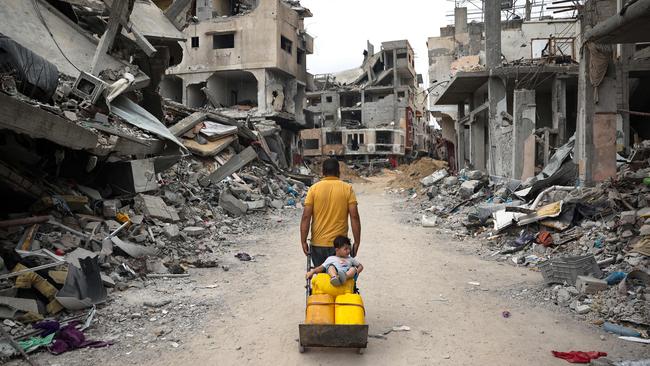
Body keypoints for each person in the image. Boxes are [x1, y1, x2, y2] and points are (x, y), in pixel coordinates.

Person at [300, 158, 361, 267]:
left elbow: (306, 217)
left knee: (321, 278)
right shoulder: (347, 189)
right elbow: (354, 216)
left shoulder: (313, 189)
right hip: (340, 245)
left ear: (323, 172)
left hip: (318, 245)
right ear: (339, 172)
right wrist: (357, 242)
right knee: (341, 278)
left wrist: (303, 241)